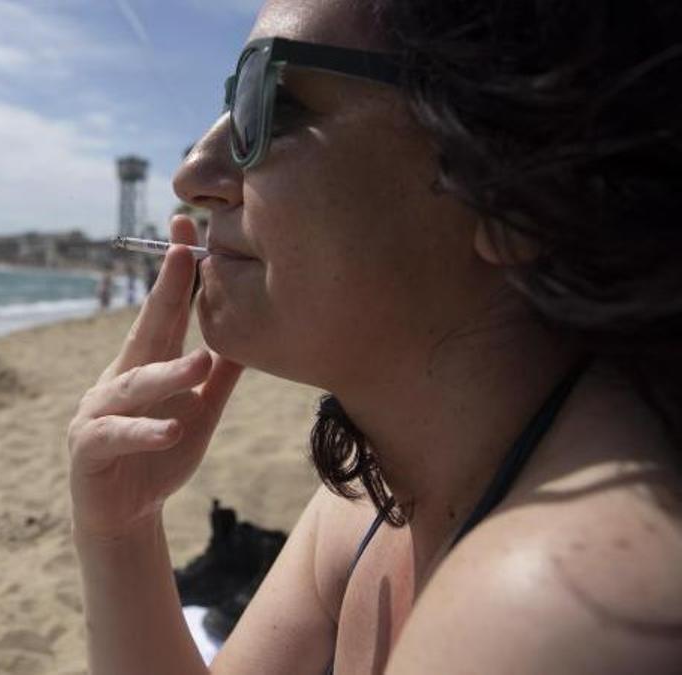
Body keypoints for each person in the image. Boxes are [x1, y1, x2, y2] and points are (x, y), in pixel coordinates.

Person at [67, 1, 682, 674]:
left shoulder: (557, 609)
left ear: (509, 178)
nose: (194, 175)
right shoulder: (370, 500)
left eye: (264, 101)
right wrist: (121, 531)